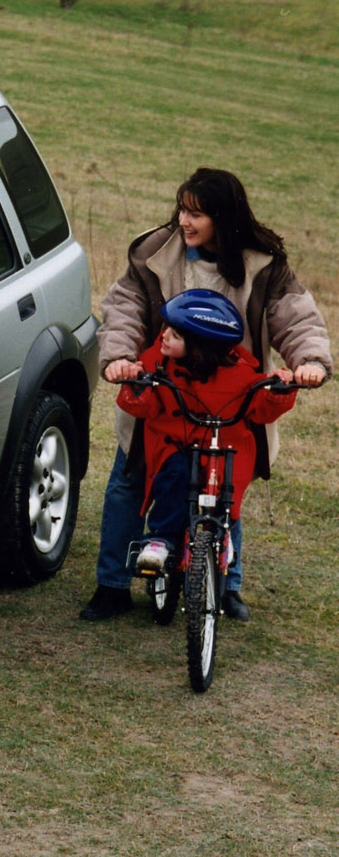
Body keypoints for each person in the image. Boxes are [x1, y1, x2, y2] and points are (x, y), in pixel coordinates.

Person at [82, 168, 330, 622]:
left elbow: (296, 317)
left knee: (225, 490)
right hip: (162, 393)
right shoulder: (154, 252)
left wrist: (309, 361)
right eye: (182, 209)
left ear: (224, 216)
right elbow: (125, 308)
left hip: (228, 397)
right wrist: (120, 357)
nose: (184, 221)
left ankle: (225, 585)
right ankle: (112, 583)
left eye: (196, 213)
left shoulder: (263, 264)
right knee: (128, 482)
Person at [119, 290, 297, 577]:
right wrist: (136, 381)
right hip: (174, 444)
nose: (163, 336)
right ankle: (160, 539)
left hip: (222, 447)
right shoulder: (157, 362)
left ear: (198, 346)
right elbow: (145, 407)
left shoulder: (240, 373)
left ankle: (223, 542)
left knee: (226, 491)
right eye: (166, 328)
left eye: (174, 335)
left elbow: (261, 406)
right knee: (174, 475)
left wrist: (278, 389)